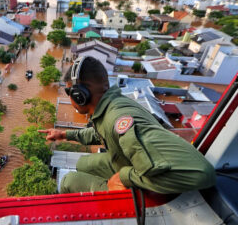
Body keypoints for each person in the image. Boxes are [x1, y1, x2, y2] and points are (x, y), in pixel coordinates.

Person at [39, 56, 216, 194]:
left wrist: (123, 178)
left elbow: (202, 173)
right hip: (125, 160)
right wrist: (64, 134)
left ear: (80, 94)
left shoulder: (117, 119)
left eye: (69, 91)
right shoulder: (109, 106)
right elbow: (100, 133)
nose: (70, 98)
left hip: (139, 171)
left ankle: (114, 194)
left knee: (68, 181)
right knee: (83, 164)